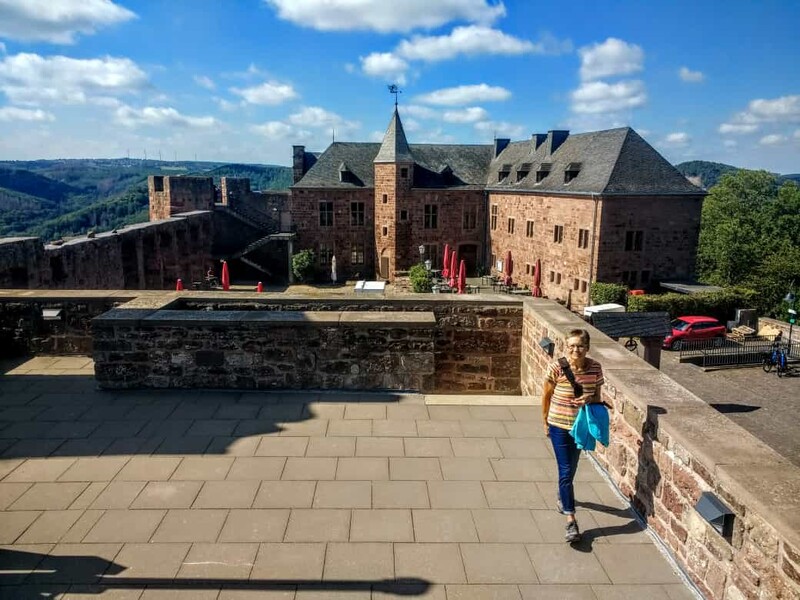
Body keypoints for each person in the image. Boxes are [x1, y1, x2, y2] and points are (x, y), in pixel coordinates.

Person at [541, 328, 605, 543]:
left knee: (572, 467)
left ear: (587, 347)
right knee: (566, 470)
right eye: (571, 346)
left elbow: (596, 395)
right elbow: (546, 396)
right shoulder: (557, 367)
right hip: (558, 424)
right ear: (565, 347)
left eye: (579, 346)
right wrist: (544, 422)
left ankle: (562, 493)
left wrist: (588, 398)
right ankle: (571, 520)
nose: (575, 349)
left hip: (580, 426)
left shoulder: (595, 367)